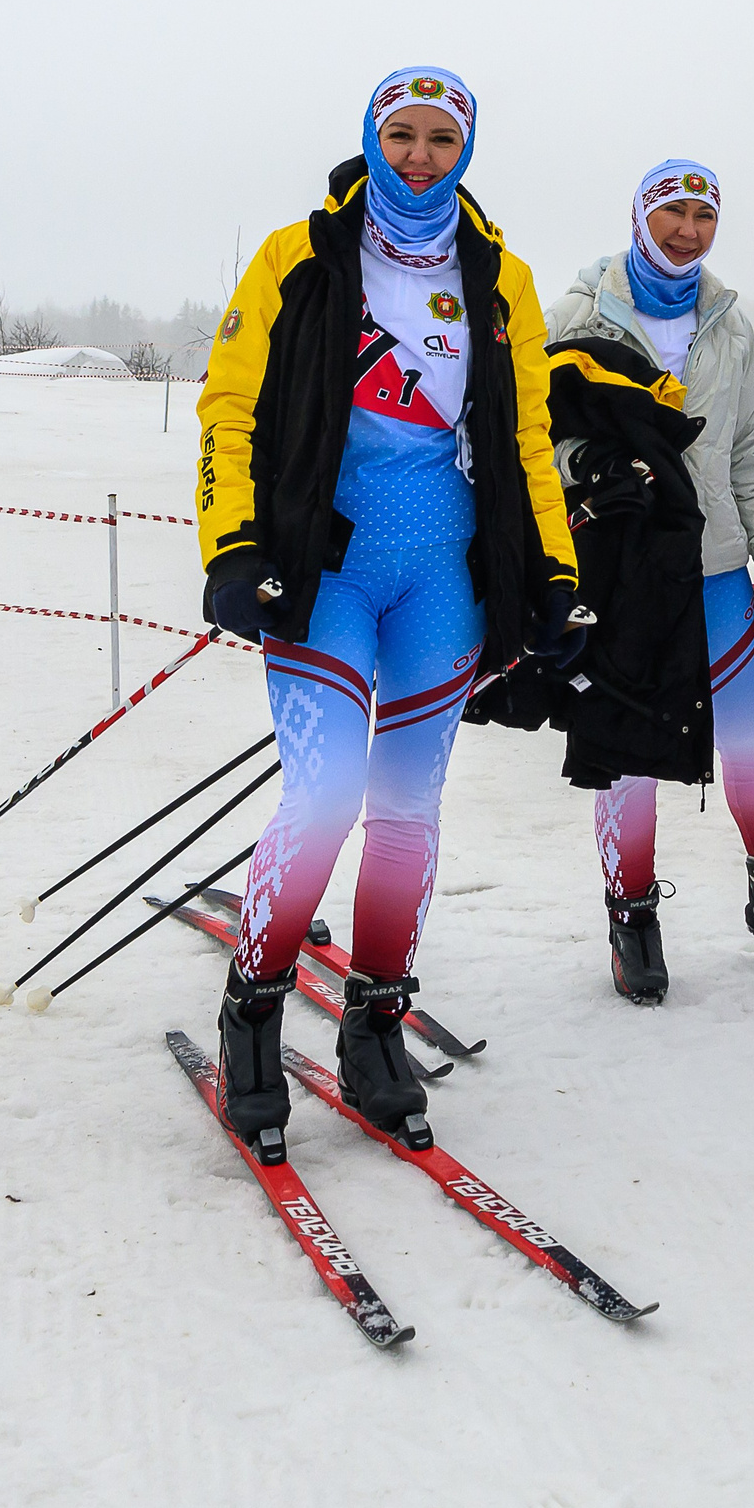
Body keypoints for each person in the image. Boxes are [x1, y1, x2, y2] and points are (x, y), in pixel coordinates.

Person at [194, 67, 584, 1157]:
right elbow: (230, 410)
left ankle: (376, 1022)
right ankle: (255, 1011)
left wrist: (551, 573)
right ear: (370, 137)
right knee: (321, 796)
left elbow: (523, 443)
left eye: (439, 139)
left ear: (466, 149)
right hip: (328, 571)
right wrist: (231, 545)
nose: (418, 156)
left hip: (442, 579)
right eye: (399, 135)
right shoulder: (299, 255)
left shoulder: (499, 274)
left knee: (408, 809)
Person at [546, 160, 754, 1003]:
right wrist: (594, 467)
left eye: (703, 217)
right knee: (629, 749)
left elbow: (750, 451)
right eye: (672, 212)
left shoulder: (730, 325)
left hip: (713, 569)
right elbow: (536, 436)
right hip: (622, 569)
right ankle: (631, 912)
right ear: (640, 217)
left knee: (752, 737)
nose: (687, 230)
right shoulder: (578, 313)